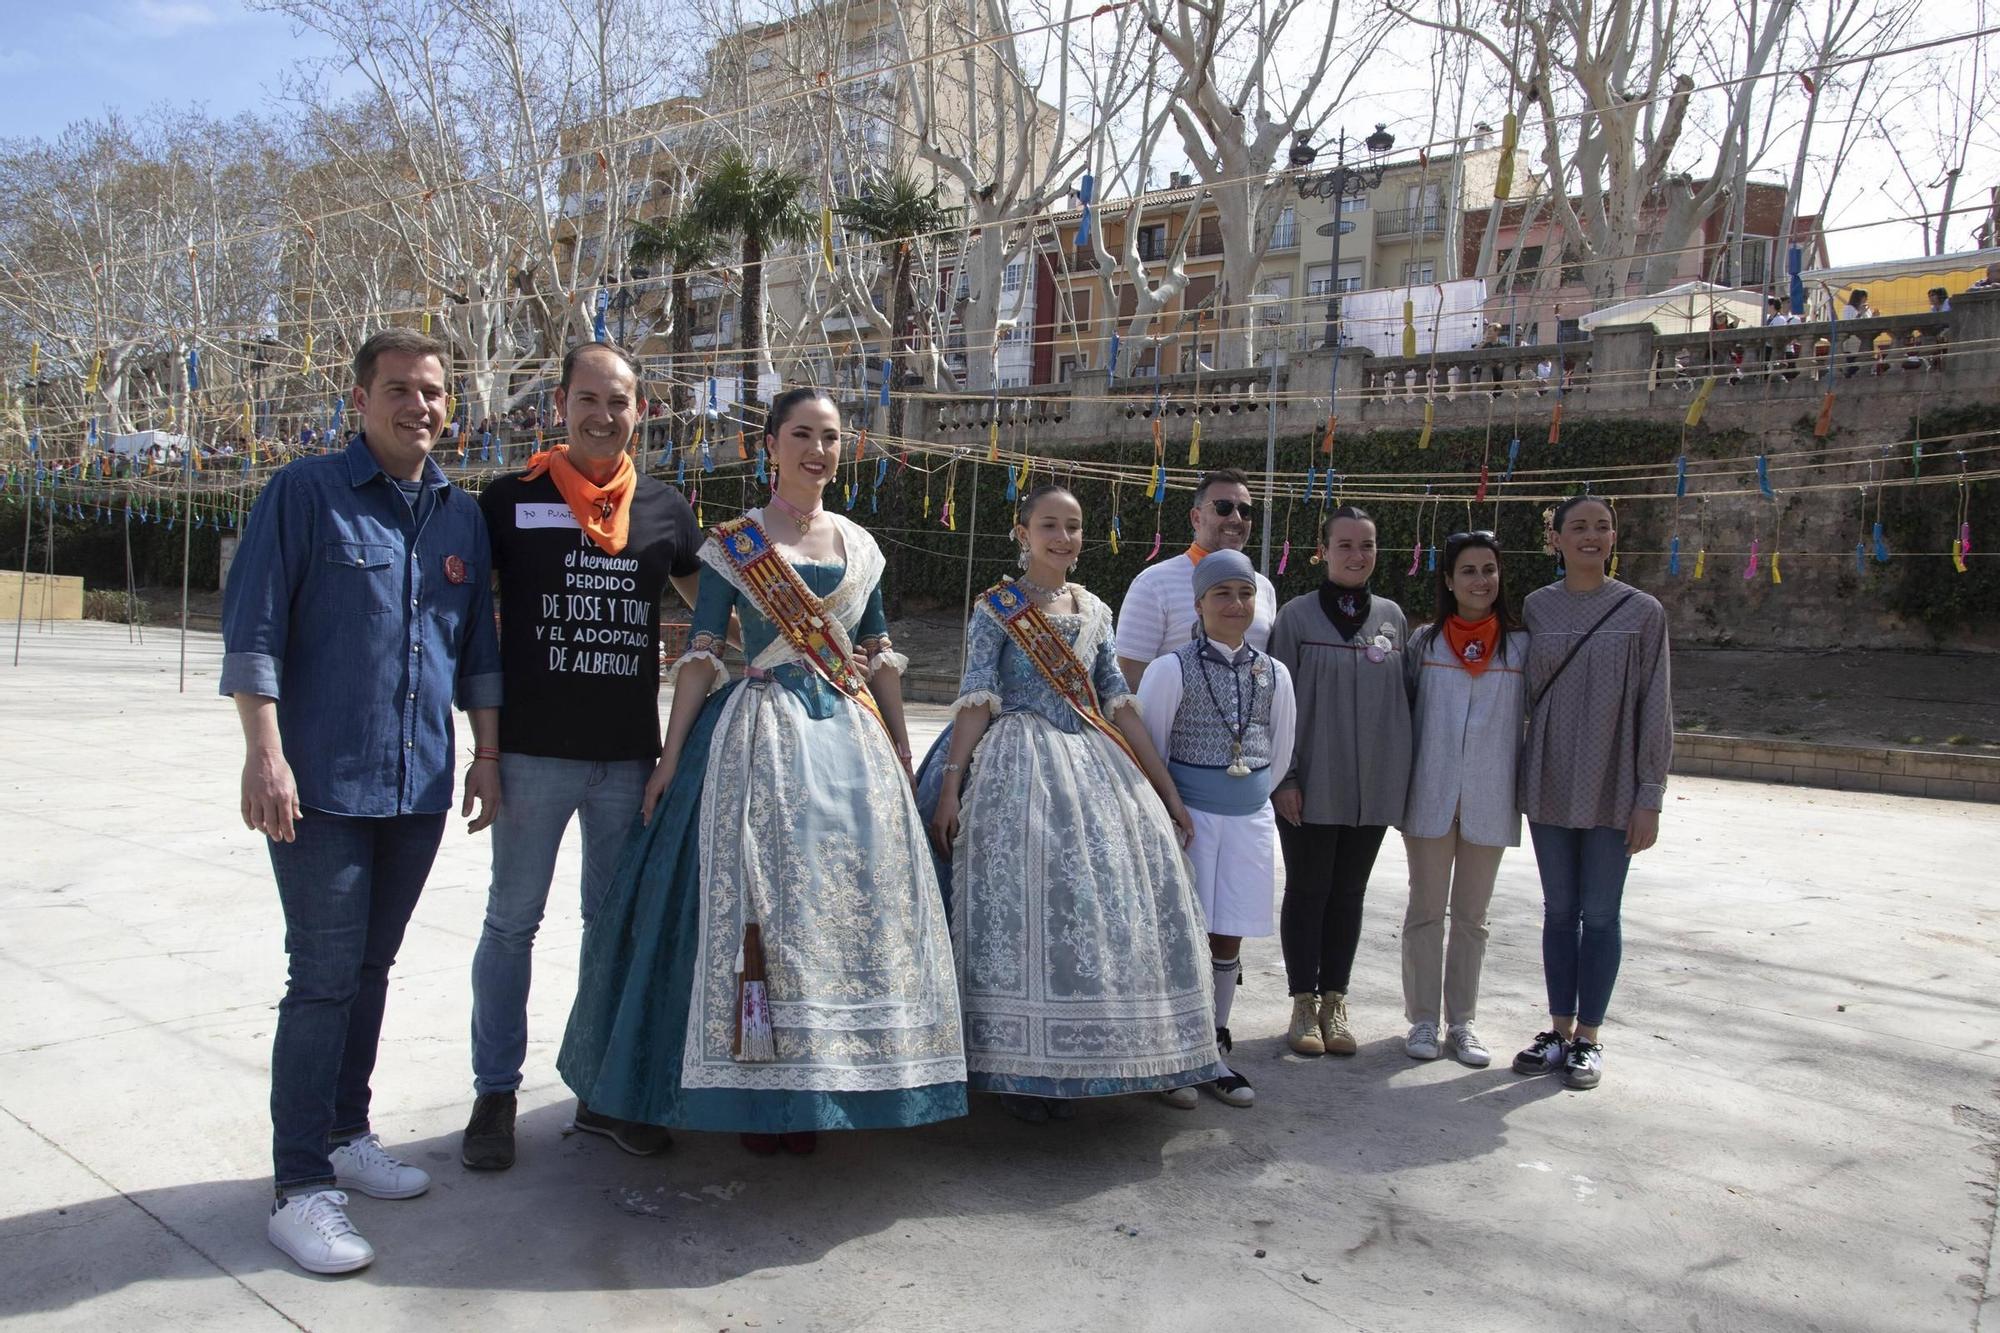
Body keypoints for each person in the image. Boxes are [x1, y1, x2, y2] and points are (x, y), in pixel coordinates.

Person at [558, 387, 965, 1157]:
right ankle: (753, 1092)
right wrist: (671, 758)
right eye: (802, 434)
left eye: (832, 436)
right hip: (756, 736)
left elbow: (876, 651)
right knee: (752, 911)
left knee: (834, 912)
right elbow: (703, 652)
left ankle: (818, 1088)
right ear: (770, 444)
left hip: (850, 742)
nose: (818, 449)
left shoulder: (861, 546)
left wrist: (901, 748)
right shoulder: (736, 544)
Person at [221, 329, 502, 1275]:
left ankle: (347, 1129)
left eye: (432, 391)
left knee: (373, 969)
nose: (418, 405)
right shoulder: (305, 493)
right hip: (321, 787)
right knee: (324, 977)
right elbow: (254, 628)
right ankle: (300, 1186)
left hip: (416, 786)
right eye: (399, 389)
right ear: (359, 398)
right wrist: (266, 757)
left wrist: (485, 754)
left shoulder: (461, 517)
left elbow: (479, 658)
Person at [459, 342, 704, 1172]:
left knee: (611, 929)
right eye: (589, 398)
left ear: (643, 410)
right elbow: (465, 628)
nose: (605, 414)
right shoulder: (509, 499)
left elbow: (718, 620)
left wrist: (816, 647)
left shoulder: (665, 510)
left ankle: (602, 1091)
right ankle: (495, 1092)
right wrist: (483, 750)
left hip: (627, 762)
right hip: (529, 757)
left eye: (622, 400)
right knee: (511, 923)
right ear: (559, 403)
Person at [916, 485, 1217, 1123]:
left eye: (1074, 526)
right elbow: (977, 697)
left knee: (1107, 906)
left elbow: (1118, 704)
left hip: (1093, 761)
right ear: (1022, 533)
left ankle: (1126, 1054)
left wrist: (1165, 793)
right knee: (1026, 907)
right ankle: (1021, 1066)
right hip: (1014, 764)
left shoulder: (1097, 611)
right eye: (1049, 525)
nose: (1063, 537)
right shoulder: (996, 608)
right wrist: (949, 784)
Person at [1511, 495, 1672, 1092]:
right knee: (1559, 912)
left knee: (1601, 914)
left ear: (1613, 537)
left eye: (1601, 527)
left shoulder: (1642, 611)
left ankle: (1589, 1039)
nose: (1590, 536)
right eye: (1577, 526)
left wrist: (1649, 792)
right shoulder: (1536, 607)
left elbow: (1656, 704)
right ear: (1555, 538)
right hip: (1551, 779)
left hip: (1614, 782)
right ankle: (1557, 1029)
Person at [1138, 548, 1297, 1108]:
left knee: (1228, 931)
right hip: (1190, 820)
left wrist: (1247, 798)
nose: (1235, 604)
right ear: (1200, 602)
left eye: (1245, 593)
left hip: (1249, 819)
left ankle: (1214, 1047)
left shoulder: (1273, 672)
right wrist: (1180, 807)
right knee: (1185, 930)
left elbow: (1278, 754)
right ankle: (1174, 1055)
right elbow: (1151, 749)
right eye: (1222, 594)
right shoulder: (1170, 669)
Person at [1267, 505, 1411, 1058]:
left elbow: (1405, 704)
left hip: (1371, 787)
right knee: (1308, 891)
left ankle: (1335, 1000)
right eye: (1345, 545)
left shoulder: (1393, 619)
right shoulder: (1298, 619)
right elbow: (1277, 707)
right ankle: (1302, 1000)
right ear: (1322, 551)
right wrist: (1287, 777)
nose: (1357, 555)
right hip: (1309, 784)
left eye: (1367, 545)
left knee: (1351, 893)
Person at [1398, 531, 1527, 1068]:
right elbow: (1402, 715)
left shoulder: (1521, 646)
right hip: (1429, 796)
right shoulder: (1424, 644)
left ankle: (1463, 1023)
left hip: (1489, 796)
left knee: (1473, 916)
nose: (1481, 581)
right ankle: (1423, 1019)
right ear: (1449, 581)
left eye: (1489, 570)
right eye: (1469, 571)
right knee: (1426, 911)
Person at [1114, 467, 1278, 688]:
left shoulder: (1263, 587)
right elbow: (1128, 681)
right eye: (1223, 508)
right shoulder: (1154, 584)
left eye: (1245, 511)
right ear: (1196, 518)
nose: (1236, 518)